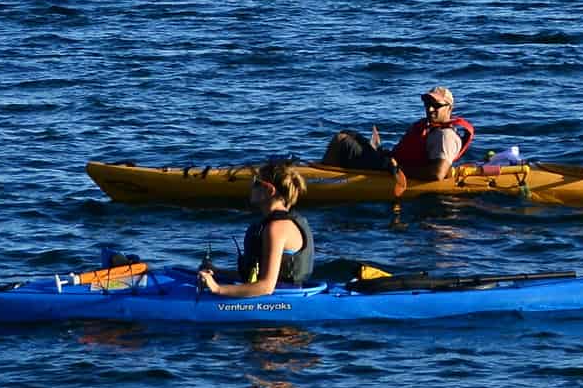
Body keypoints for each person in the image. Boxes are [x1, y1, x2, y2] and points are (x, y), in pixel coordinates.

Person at [200, 158, 312, 298]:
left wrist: (217, 289)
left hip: (283, 298)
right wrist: (217, 272)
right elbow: (257, 276)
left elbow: (266, 286)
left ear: (269, 190)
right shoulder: (272, 223)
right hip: (275, 291)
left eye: (256, 183)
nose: (251, 186)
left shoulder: (277, 228)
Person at [321, 86, 476, 182]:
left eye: (436, 105)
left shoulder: (445, 136)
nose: (430, 109)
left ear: (449, 108)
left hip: (392, 172)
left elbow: (437, 174)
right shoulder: (430, 128)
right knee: (349, 134)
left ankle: (320, 179)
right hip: (390, 165)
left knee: (341, 141)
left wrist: (398, 169)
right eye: (428, 104)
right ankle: (326, 174)